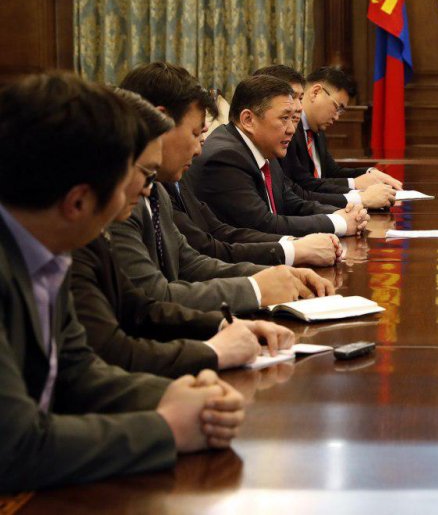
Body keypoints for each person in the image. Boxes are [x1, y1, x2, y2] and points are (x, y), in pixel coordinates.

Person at [0, 73, 244, 491]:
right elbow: (14, 447)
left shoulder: (48, 246)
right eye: (129, 180)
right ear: (78, 201)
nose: (141, 193)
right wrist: (168, 428)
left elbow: (76, 372)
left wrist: (173, 395)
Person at [72, 90, 295, 378]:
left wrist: (223, 325)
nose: (147, 189)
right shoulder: (96, 226)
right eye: (195, 133)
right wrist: (212, 353)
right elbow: (108, 352)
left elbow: (142, 307)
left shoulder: (150, 196)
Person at [120, 62, 342, 268]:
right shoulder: (219, 158)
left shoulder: (165, 182)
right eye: (195, 133)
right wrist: (290, 254)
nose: (198, 150)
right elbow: (204, 253)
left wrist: (293, 246)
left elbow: (217, 233)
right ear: (160, 124)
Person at [186, 75, 369, 237]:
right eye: (284, 118)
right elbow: (264, 224)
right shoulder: (225, 157)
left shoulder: (265, 148)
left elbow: (293, 203)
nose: (291, 130)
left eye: (293, 118)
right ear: (248, 120)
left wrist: (342, 213)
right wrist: (339, 223)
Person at [256, 65, 396, 209]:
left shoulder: (316, 129)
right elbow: (303, 186)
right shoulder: (286, 133)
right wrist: (359, 196)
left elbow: (330, 172)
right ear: (316, 92)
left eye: (299, 98)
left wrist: (369, 174)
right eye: (337, 107)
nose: (297, 107)